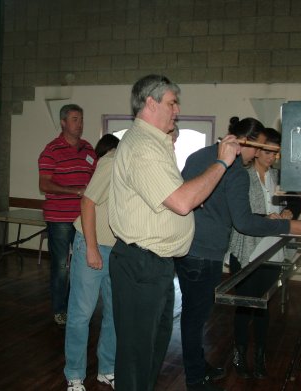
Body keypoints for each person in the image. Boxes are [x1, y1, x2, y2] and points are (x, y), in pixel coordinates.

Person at [108, 74, 241, 391]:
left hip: (156, 264)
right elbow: (182, 202)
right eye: (172, 103)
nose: (177, 110)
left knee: (152, 352)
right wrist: (221, 163)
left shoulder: (156, 144)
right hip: (141, 264)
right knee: (137, 356)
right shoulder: (143, 147)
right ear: (151, 103)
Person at [176, 118, 301, 391]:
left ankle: (197, 366)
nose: (259, 154)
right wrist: (287, 225)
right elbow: (244, 222)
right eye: (258, 147)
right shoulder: (234, 169)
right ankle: (195, 379)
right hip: (206, 252)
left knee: (192, 316)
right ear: (246, 142)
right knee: (195, 318)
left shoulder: (199, 155)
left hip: (186, 248)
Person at [227, 127, 301, 380]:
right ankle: (239, 353)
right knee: (244, 304)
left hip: (272, 250)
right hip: (246, 248)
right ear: (257, 150)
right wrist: (265, 217)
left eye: (276, 153)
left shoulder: (278, 177)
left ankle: (259, 355)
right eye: (269, 151)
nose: (272, 157)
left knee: (263, 306)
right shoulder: (242, 176)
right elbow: (239, 215)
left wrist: (290, 212)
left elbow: (296, 201)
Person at [64, 134, 120, 391]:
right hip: (92, 243)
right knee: (81, 314)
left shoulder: (136, 164)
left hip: (117, 250)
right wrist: (91, 248)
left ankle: (106, 369)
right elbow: (87, 202)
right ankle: (74, 375)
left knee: (114, 313)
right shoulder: (112, 161)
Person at [38, 104, 97, 327]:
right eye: (74, 119)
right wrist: (74, 191)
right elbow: (43, 184)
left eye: (81, 119)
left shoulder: (89, 149)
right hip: (60, 218)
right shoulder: (51, 150)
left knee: (82, 265)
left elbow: (97, 179)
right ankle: (60, 310)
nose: (79, 124)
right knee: (61, 266)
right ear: (63, 122)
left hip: (84, 218)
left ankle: (78, 308)